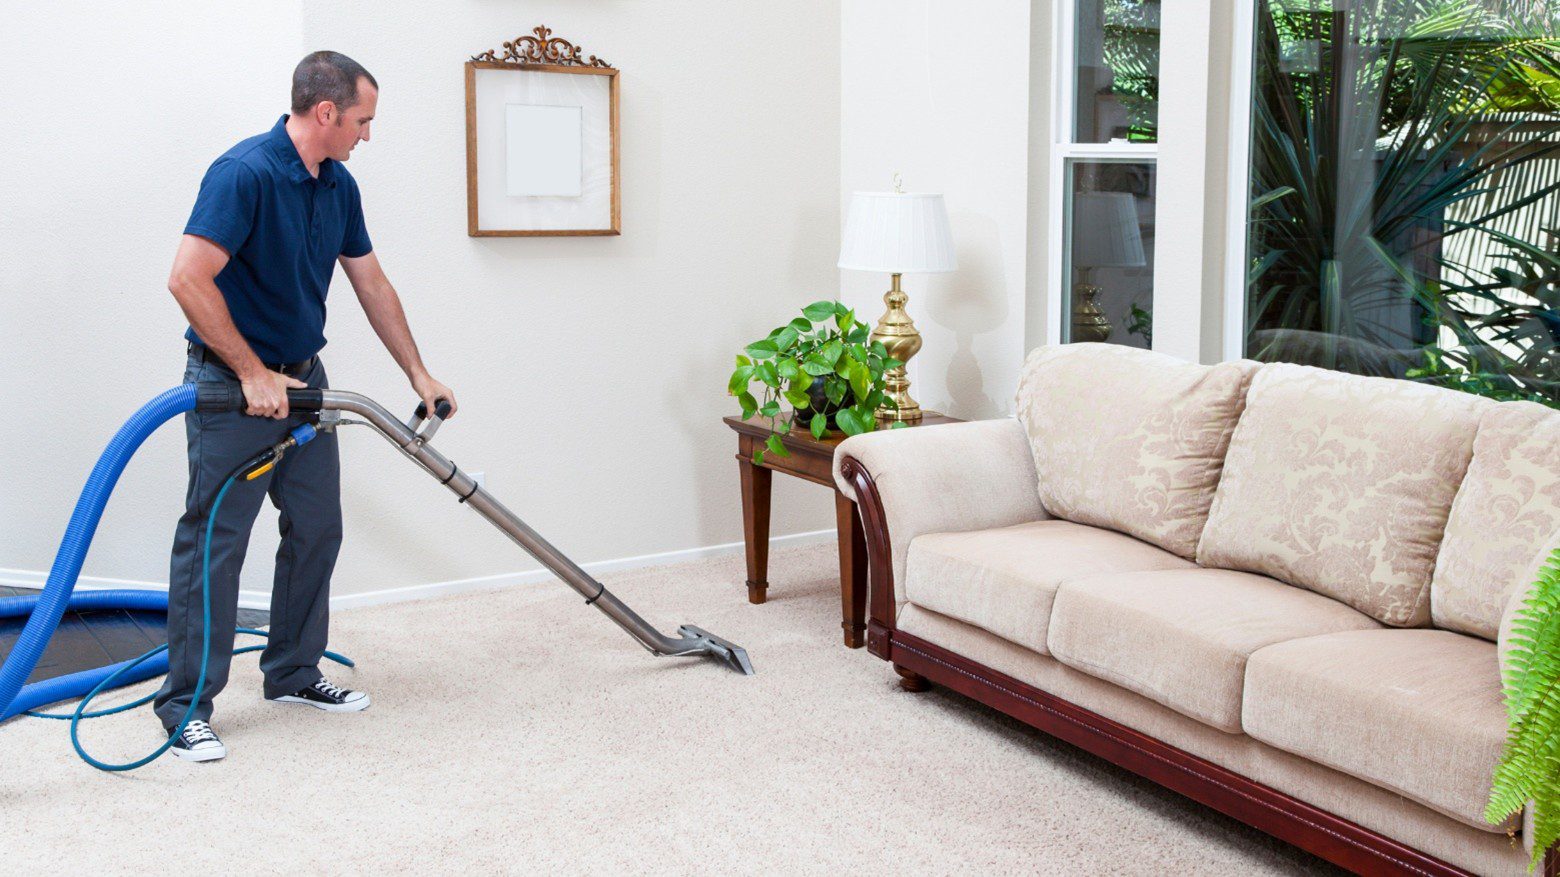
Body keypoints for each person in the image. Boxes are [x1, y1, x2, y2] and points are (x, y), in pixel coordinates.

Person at [158, 50, 457, 762]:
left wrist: (418, 372)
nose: (367, 135)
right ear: (326, 112)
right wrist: (251, 372)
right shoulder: (244, 173)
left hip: (305, 385)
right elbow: (187, 278)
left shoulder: (338, 185)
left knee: (318, 526)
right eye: (362, 120)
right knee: (216, 542)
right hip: (234, 389)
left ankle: (292, 671)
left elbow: (371, 282)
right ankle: (185, 706)